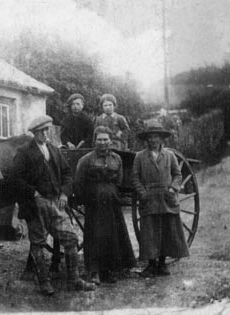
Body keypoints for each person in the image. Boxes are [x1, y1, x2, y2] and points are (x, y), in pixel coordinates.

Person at [10, 115, 96, 295]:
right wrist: (32, 192)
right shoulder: (24, 151)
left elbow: (67, 173)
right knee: (38, 243)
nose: (45, 133)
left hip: (56, 202)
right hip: (35, 204)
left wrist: (64, 192)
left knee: (71, 238)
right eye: (41, 131)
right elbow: (14, 178)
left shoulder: (54, 150)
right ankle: (44, 282)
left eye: (46, 130)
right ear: (34, 133)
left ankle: (74, 279)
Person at [74, 126, 136, 285]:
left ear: (110, 141)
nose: (102, 142)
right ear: (95, 141)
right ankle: (94, 272)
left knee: (112, 235)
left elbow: (119, 181)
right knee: (94, 236)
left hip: (112, 202)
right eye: (99, 139)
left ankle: (110, 270)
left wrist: (111, 193)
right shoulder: (86, 159)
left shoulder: (117, 159)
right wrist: (86, 199)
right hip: (95, 204)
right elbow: (79, 183)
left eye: (105, 139)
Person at [131, 121, 189, 277]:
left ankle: (162, 264)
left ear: (161, 139)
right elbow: (135, 177)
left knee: (166, 230)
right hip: (149, 197)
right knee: (150, 231)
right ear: (146, 140)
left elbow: (177, 175)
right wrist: (142, 193)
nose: (153, 140)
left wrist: (172, 189)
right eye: (150, 137)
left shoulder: (169, 155)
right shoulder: (140, 156)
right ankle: (151, 264)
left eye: (156, 137)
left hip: (166, 197)